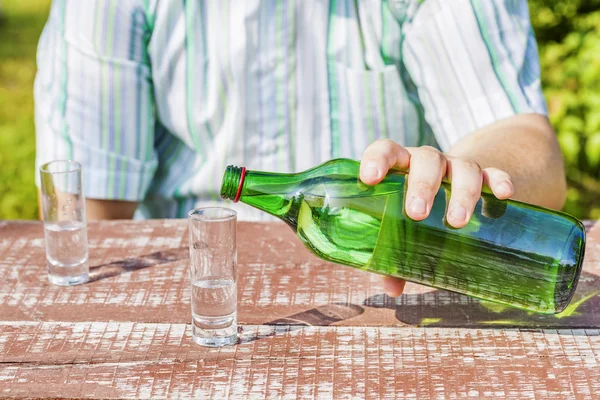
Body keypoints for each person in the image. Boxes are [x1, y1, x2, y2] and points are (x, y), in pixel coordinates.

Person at [34, 0, 567, 297]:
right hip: (190, 289)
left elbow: (525, 143)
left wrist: (468, 177)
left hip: (385, 301)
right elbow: (93, 224)